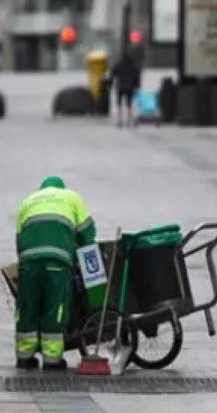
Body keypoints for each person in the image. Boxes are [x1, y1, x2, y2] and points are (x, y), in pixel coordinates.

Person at [14, 176, 96, 371]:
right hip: (56, 262)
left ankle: (25, 357)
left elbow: (19, 238)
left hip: (28, 263)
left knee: (27, 308)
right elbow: (87, 234)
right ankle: (52, 359)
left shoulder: (27, 201)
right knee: (54, 307)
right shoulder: (72, 198)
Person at [110, 51, 141, 128]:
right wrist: (137, 85)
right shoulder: (133, 65)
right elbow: (136, 76)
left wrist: (110, 83)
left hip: (120, 87)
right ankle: (128, 120)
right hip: (130, 87)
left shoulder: (118, 64)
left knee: (119, 103)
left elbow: (113, 73)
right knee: (129, 103)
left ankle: (119, 120)